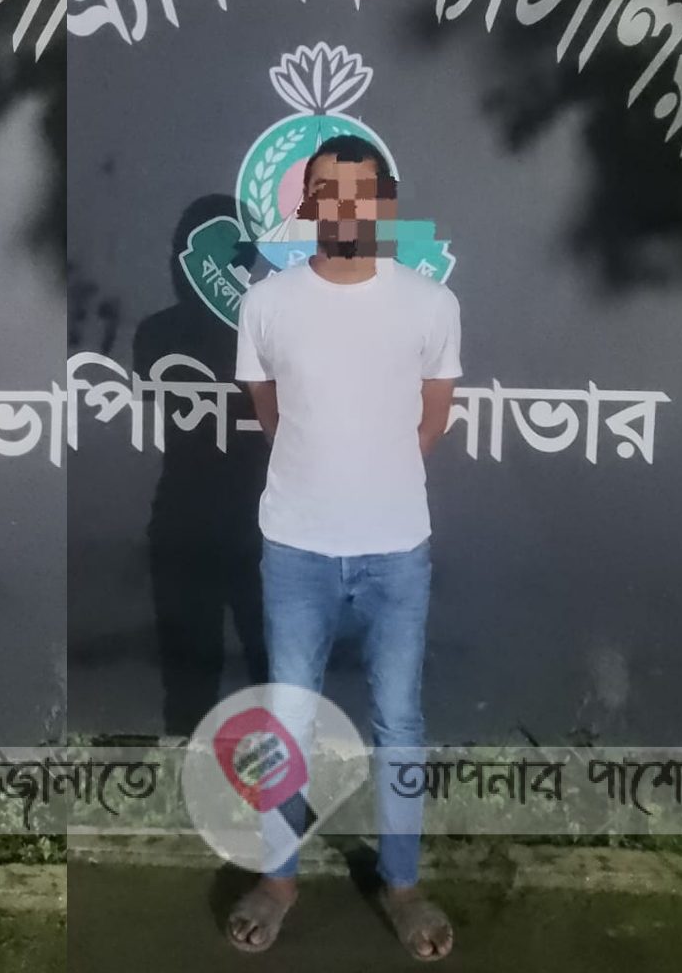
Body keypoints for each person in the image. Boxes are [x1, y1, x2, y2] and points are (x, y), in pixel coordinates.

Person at [226, 135, 461, 961]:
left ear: (385, 202)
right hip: (296, 546)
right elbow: (270, 410)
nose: (347, 205)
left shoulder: (431, 304)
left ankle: (402, 885)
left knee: (399, 720)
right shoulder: (267, 304)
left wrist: (374, 478)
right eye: (330, 190)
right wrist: (322, 475)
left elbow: (432, 418)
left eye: (363, 190)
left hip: (397, 549)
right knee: (288, 717)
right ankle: (278, 879)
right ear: (309, 203)